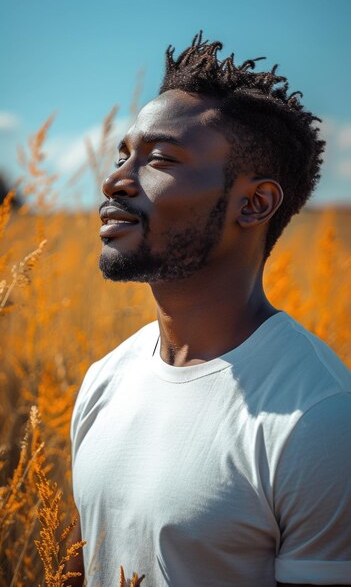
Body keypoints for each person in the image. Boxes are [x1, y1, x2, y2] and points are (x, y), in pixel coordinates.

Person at [68, 32, 351, 587]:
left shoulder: (319, 420)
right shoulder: (104, 380)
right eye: (123, 155)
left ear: (255, 203)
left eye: (160, 159)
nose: (116, 180)